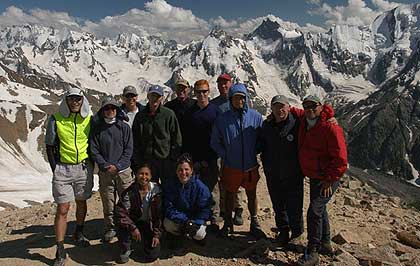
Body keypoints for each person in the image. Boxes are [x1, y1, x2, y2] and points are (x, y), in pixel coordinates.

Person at [45, 86, 93, 266]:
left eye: (78, 99)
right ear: (66, 100)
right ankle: (60, 247)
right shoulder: (56, 119)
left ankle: (79, 231)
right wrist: (55, 168)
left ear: (82, 101)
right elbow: (49, 145)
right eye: (71, 99)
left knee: (82, 201)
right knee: (63, 208)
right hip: (63, 169)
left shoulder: (88, 118)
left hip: (83, 167)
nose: (75, 102)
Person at [297, 95, 348, 266]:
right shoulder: (305, 121)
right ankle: (325, 243)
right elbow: (293, 111)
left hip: (328, 177)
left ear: (321, 107)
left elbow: (341, 159)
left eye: (313, 106)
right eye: (306, 106)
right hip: (315, 175)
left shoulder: (331, 127)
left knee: (314, 211)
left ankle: (313, 251)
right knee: (320, 208)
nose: (309, 109)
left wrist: (329, 180)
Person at [211, 83, 266, 239]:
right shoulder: (223, 119)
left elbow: (262, 138)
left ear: (246, 98)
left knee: (252, 194)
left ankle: (254, 223)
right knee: (229, 195)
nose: (239, 101)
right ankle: (228, 224)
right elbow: (215, 141)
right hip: (231, 165)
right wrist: (225, 154)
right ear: (230, 100)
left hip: (250, 166)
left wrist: (255, 150)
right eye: (235, 98)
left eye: (241, 98)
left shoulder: (255, 117)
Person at [259, 95, 304, 246]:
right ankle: (283, 232)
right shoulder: (267, 126)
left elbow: (315, 117)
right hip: (273, 172)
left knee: (294, 205)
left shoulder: (297, 124)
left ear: (289, 107)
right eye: (276, 106)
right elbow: (261, 145)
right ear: (271, 109)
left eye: (282, 106)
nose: (280, 110)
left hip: (293, 173)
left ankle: (297, 234)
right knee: (278, 205)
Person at [90, 96, 134, 242]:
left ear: (117, 110)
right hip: (106, 172)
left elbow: (129, 149)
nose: (110, 111)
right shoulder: (97, 129)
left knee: (126, 200)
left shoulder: (124, 127)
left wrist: (119, 165)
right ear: (102, 111)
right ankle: (110, 228)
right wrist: (104, 165)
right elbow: (94, 149)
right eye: (107, 108)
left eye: (113, 108)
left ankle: (127, 226)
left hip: (123, 172)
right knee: (108, 201)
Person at [183, 79, 222, 231]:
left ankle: (214, 220)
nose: (201, 95)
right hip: (193, 160)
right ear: (194, 93)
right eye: (198, 92)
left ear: (209, 92)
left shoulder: (215, 112)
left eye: (204, 91)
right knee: (194, 190)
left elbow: (220, 137)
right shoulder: (190, 113)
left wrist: (211, 157)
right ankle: (197, 218)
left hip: (211, 159)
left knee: (213, 191)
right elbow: (186, 137)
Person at [210, 73, 246, 227]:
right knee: (220, 179)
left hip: (235, 146)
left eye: (226, 83)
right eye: (220, 83)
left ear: (231, 84)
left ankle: (238, 209)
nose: (223, 86)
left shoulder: (239, 101)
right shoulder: (214, 104)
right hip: (219, 147)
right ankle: (224, 209)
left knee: (237, 178)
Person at [132, 85, 182, 185]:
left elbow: (176, 138)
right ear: (148, 97)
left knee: (168, 189)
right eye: (152, 96)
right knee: (148, 190)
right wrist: (138, 161)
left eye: (158, 96)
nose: (155, 99)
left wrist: (173, 159)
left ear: (162, 98)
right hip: (147, 162)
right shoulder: (140, 116)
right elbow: (135, 139)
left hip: (165, 161)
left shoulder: (168, 115)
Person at [114, 164, 162, 264]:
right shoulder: (129, 192)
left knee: (152, 255)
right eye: (141, 174)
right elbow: (121, 213)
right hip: (134, 222)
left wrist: (156, 234)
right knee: (121, 223)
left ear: (151, 176)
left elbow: (159, 215)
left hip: (150, 224)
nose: (144, 177)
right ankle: (126, 248)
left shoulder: (157, 191)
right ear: (136, 175)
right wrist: (133, 228)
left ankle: (144, 241)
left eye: (146, 174)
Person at [163, 153, 212, 246]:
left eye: (186, 169)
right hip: (180, 219)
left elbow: (205, 209)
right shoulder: (170, 185)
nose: (183, 173)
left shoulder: (200, 187)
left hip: (195, 219)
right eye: (180, 170)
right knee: (168, 224)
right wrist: (185, 221)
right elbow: (169, 207)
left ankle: (193, 235)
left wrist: (195, 222)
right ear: (176, 171)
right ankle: (178, 235)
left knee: (199, 234)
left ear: (192, 170)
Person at [165, 79, 196, 152]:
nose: (181, 90)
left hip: (192, 145)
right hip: (174, 147)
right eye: (178, 88)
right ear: (175, 90)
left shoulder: (195, 105)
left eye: (184, 88)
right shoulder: (168, 106)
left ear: (188, 89)